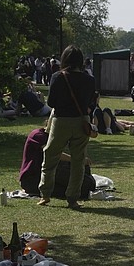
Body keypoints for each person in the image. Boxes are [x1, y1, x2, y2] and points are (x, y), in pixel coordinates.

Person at [38, 45, 94, 209]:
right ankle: (73, 198)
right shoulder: (89, 79)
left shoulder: (58, 76)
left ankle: (45, 193)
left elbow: (51, 102)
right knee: (78, 160)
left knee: (50, 156)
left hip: (61, 120)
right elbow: (90, 101)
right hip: (81, 121)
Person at [19, 127, 94, 199]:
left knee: (85, 177)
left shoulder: (54, 137)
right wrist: (77, 160)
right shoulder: (38, 135)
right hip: (33, 178)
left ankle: (87, 183)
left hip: (48, 170)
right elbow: (51, 153)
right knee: (80, 190)